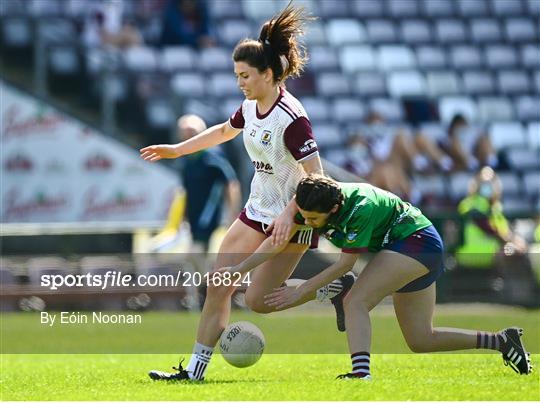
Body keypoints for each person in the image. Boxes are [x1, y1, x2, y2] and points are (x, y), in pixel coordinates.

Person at [140, 4, 354, 381]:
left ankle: (334, 286)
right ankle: (194, 370)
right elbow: (224, 130)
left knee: (257, 301)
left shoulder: (292, 119)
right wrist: (177, 149)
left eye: (246, 76)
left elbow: (317, 177)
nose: (240, 83)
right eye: (237, 75)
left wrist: (291, 213)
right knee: (218, 283)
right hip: (257, 210)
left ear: (269, 74)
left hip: (296, 217)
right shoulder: (251, 106)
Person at [218, 175, 533, 379]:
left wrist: (302, 293)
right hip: (402, 247)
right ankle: (501, 341)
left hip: (417, 243)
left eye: (315, 220)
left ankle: (360, 374)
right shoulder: (311, 202)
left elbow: (344, 265)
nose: (309, 224)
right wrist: (240, 269)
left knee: (356, 301)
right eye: (306, 217)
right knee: (421, 340)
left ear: (336, 208)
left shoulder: (360, 209)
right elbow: (277, 241)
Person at [151, 114, 241, 253]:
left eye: (191, 132)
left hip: (207, 214)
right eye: (184, 132)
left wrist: (233, 213)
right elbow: (184, 191)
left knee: (195, 251)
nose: (187, 136)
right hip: (193, 215)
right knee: (196, 255)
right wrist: (180, 216)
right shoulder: (186, 160)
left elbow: (231, 183)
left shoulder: (213, 157)